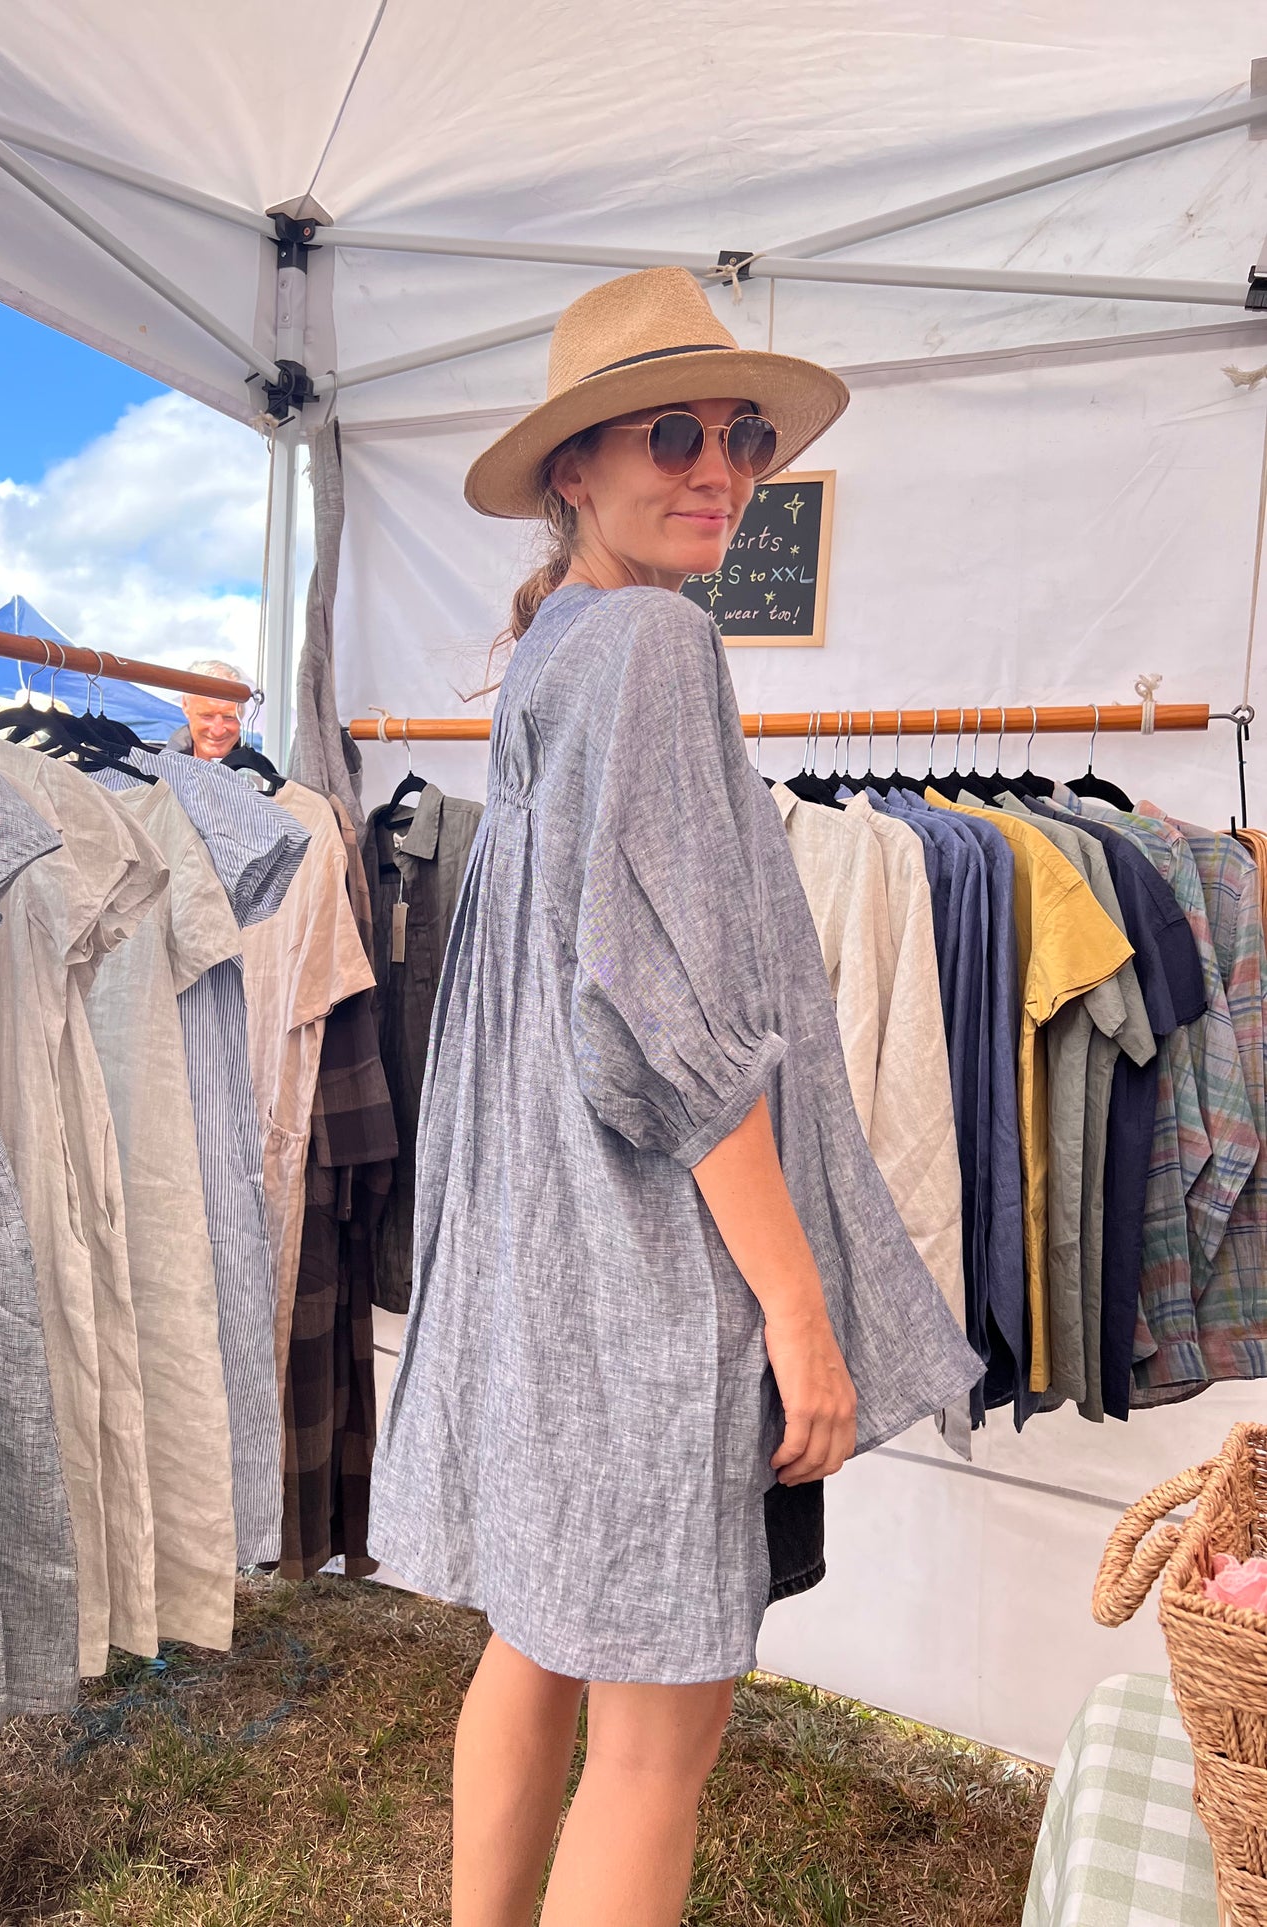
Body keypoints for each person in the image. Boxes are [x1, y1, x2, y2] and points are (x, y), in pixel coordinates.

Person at [367, 267, 982, 1927]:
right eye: (674, 432)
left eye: (745, 436)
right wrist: (800, 1308)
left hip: (549, 1269)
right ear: (576, 465)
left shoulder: (561, 649)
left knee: (542, 1640)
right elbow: (670, 1029)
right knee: (654, 1743)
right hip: (646, 1284)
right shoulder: (649, 642)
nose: (719, 465)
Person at [167, 658, 248, 759]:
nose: (218, 731)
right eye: (207, 716)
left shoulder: (260, 772)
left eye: (228, 717)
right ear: (185, 705)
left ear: (242, 714)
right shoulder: (157, 770)